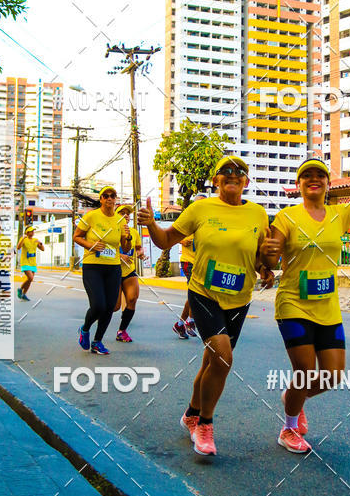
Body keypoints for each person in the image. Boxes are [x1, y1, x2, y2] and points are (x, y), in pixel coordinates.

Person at [260, 158, 350, 454]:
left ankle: (292, 398)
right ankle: (288, 427)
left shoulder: (342, 213)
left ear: (327, 183)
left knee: (333, 375)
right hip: (293, 304)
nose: (314, 179)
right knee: (306, 370)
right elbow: (271, 260)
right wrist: (268, 254)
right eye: (306, 176)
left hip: (327, 306)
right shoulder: (286, 217)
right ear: (299, 185)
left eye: (320, 175)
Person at [138, 156, 273, 457]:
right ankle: (204, 425)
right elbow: (166, 241)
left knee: (212, 363)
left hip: (239, 299)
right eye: (225, 171)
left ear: (246, 181)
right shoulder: (200, 208)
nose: (232, 175)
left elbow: (260, 256)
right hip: (203, 293)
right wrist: (151, 226)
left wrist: (265, 268)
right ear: (216, 180)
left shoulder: (258, 214)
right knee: (223, 359)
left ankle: (190, 413)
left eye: (239, 172)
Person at [74, 185, 131, 355]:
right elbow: (76, 236)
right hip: (93, 267)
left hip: (113, 268)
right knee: (98, 305)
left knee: (109, 307)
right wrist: (91, 245)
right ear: (101, 199)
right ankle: (84, 329)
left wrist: (127, 237)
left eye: (112, 195)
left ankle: (97, 342)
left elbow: (126, 248)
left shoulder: (120, 221)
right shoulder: (91, 216)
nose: (109, 198)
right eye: (105, 196)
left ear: (115, 199)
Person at [173, 193, 206, 339]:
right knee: (195, 292)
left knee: (194, 294)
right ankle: (190, 321)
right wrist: (182, 241)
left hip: (202, 264)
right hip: (188, 261)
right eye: (199, 203)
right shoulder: (188, 219)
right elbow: (173, 234)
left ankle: (180, 324)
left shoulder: (209, 222)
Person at [113, 204, 145, 342]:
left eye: (128, 213)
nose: (126, 215)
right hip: (112, 271)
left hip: (129, 271)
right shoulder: (110, 231)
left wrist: (140, 253)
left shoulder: (134, 232)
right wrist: (120, 256)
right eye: (122, 213)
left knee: (132, 299)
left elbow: (138, 247)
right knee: (115, 307)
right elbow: (101, 250)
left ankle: (122, 331)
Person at [16, 225, 45, 301]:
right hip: (25, 262)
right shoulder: (24, 239)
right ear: (27, 232)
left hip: (33, 263)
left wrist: (40, 243)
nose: (33, 232)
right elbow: (18, 247)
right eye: (31, 231)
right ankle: (20, 289)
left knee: (30, 280)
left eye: (33, 231)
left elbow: (42, 249)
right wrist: (22, 238)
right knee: (30, 278)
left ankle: (24, 294)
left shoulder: (35, 240)